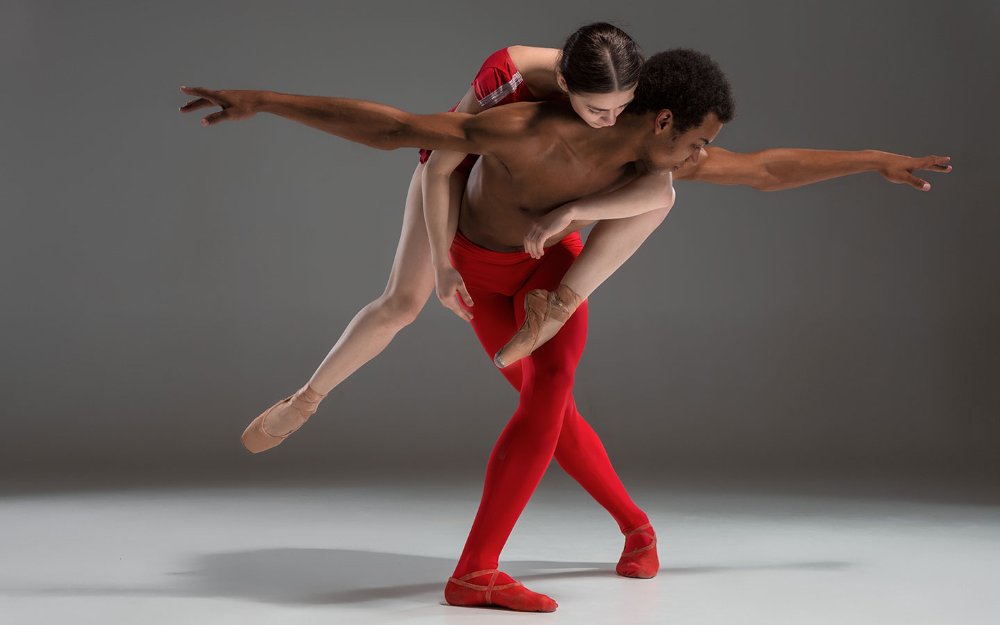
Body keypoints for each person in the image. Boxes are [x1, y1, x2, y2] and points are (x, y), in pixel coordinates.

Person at [180, 48, 951, 611]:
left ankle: (477, 569)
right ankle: (638, 527)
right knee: (537, 399)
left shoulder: (657, 164)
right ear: (663, 118)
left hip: (550, 272)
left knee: (550, 388)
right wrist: (267, 100)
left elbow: (767, 171)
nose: (703, 152)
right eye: (697, 137)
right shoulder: (525, 129)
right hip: (478, 272)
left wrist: (871, 158)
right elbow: (399, 131)